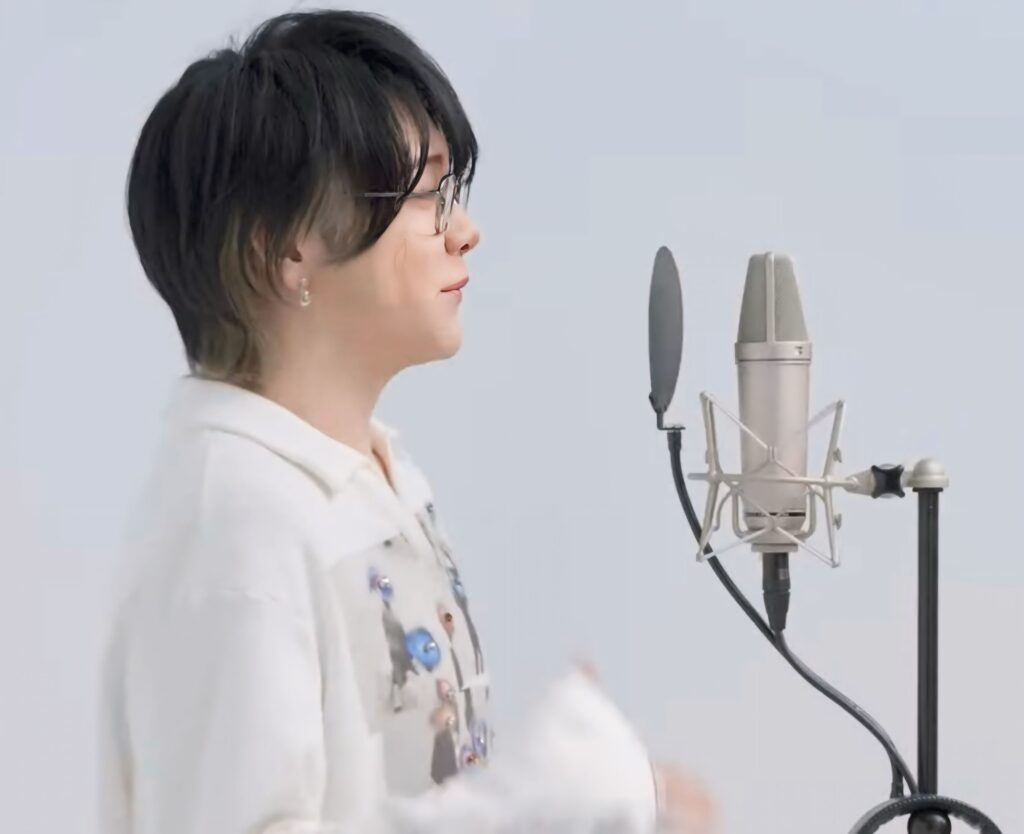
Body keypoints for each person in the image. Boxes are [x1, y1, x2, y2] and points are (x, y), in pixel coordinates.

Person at [97, 10, 717, 834]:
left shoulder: (371, 480)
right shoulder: (237, 523)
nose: (466, 231)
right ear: (283, 251)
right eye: (428, 196)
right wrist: (544, 807)